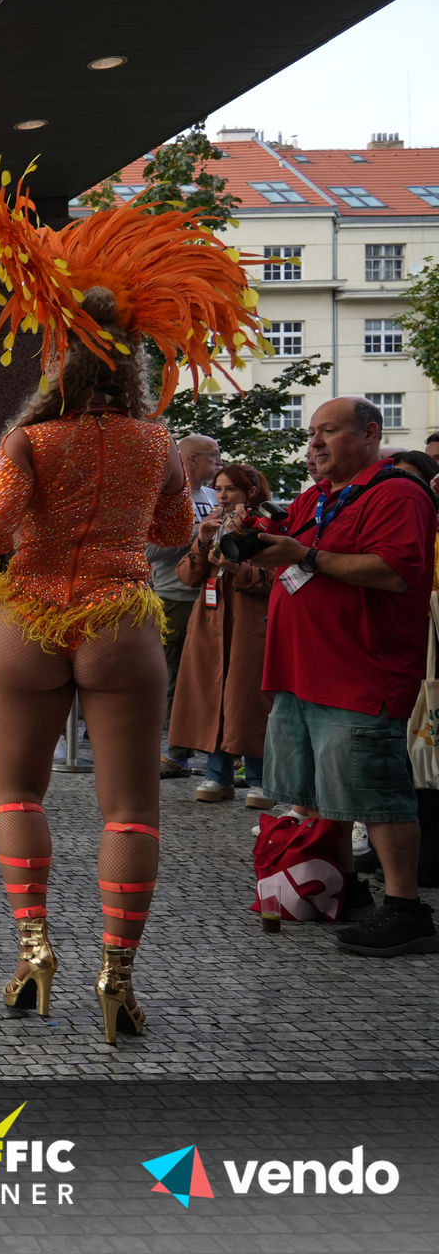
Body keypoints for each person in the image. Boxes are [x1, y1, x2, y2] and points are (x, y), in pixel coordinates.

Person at [0, 158, 267, 1042]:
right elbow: (171, 528)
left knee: (20, 793)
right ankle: (118, 977)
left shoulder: (33, 441)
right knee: (129, 808)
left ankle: (34, 953)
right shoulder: (155, 441)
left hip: (31, 618)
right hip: (122, 619)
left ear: (61, 358)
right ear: (129, 363)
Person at [248, 396, 439, 956]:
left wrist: (304, 555)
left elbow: (394, 571)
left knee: (376, 794)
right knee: (315, 791)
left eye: (329, 431)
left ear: (370, 434)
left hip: (359, 671)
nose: (315, 443)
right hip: (300, 670)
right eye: (313, 432)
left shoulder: (398, 493)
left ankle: (406, 910)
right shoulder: (316, 497)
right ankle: (346, 890)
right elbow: (289, 553)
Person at [167, 463, 275, 807]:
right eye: (219, 488)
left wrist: (234, 568)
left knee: (248, 702)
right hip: (210, 626)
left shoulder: (268, 525)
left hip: (250, 626)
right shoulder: (213, 524)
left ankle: (259, 779)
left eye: (230, 489)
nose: (222, 495)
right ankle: (217, 775)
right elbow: (187, 576)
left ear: (250, 492)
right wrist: (201, 540)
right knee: (212, 696)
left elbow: (274, 579)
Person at [147, 434, 221, 777]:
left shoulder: (215, 496)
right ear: (192, 459)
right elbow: (149, 551)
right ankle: (177, 753)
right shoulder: (162, 500)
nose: (219, 461)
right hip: (175, 598)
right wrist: (198, 535)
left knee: (217, 676)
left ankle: (224, 755)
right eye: (213, 454)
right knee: (175, 679)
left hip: (216, 599)